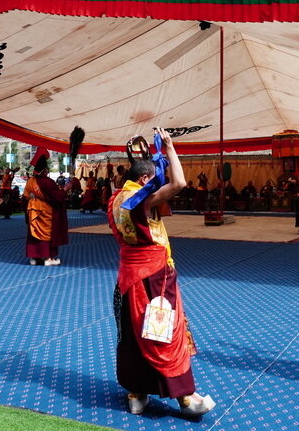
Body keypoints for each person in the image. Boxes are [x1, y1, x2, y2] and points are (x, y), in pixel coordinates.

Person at [107, 129, 215, 417]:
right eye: (155, 179)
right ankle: (185, 396)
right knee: (164, 331)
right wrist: (169, 147)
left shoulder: (116, 198)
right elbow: (179, 183)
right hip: (153, 276)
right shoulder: (140, 199)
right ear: (145, 180)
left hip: (127, 276)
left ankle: (136, 393)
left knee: (133, 333)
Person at [24, 150, 69, 266]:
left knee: (34, 233)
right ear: (44, 170)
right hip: (46, 211)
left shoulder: (30, 181)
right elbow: (57, 196)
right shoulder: (47, 182)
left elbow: (25, 197)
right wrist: (66, 188)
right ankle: (48, 258)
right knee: (47, 234)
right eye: (47, 170)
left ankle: (35, 258)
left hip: (33, 211)